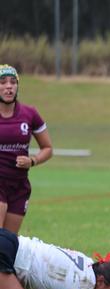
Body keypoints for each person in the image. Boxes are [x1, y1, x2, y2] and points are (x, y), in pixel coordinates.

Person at [0, 64, 53, 234]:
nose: (9, 86)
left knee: (8, 241)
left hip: (19, 185)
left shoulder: (29, 114)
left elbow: (47, 148)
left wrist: (32, 160)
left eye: (13, 82)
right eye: (2, 82)